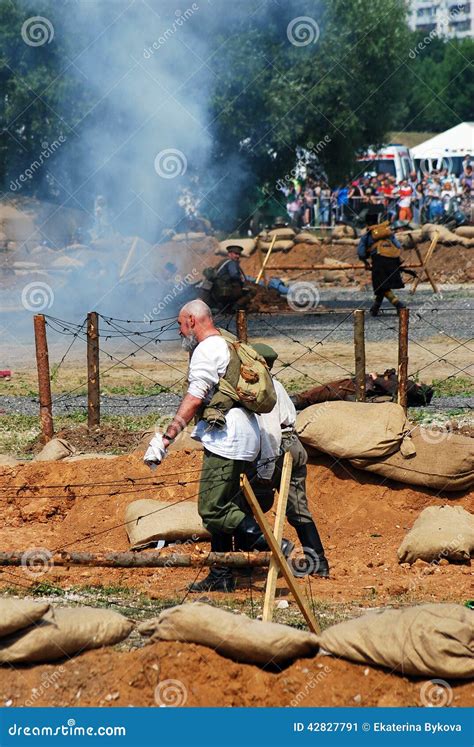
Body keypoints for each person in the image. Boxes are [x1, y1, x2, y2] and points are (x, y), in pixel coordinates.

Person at [160, 300, 293, 593]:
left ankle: (273, 543)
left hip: (227, 440)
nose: (181, 332)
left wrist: (167, 438)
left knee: (212, 509)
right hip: (244, 435)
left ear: (193, 322)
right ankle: (222, 574)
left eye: (181, 325)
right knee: (229, 505)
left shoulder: (206, 350)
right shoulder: (227, 343)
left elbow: (195, 397)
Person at [252, 343, 330, 578]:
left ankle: (250, 555)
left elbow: (269, 431)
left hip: (276, 448)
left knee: (244, 504)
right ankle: (319, 563)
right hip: (294, 445)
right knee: (298, 509)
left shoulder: (262, 389)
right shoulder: (277, 384)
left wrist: (265, 472)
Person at [358, 212, 406, 317]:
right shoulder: (387, 232)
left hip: (379, 261)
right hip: (393, 261)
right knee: (383, 286)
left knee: (381, 285)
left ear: (366, 223)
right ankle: (375, 308)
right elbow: (398, 246)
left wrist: (366, 261)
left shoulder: (366, 235)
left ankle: (399, 305)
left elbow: (361, 253)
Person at [205, 245, 249, 312]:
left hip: (217, 291)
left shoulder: (223, 262)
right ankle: (235, 307)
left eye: (239, 254)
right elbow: (234, 275)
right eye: (236, 254)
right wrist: (241, 279)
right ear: (229, 254)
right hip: (225, 291)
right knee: (250, 291)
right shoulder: (231, 263)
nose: (238, 256)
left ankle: (225, 307)